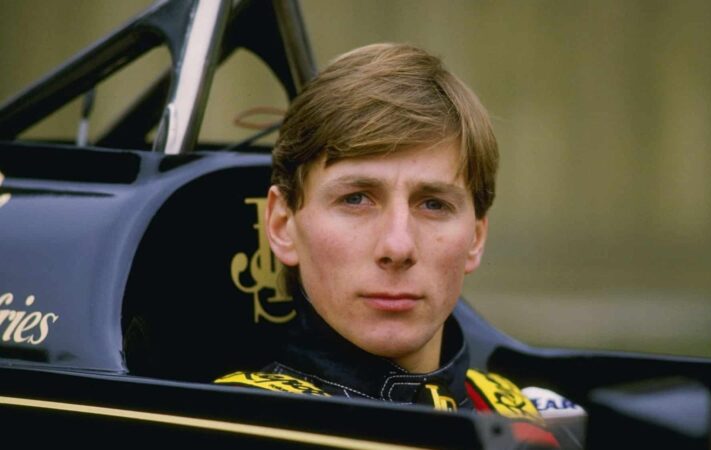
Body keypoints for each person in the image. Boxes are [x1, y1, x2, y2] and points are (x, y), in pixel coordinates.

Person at [215, 42, 562, 447]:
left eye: (433, 204)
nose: (398, 246)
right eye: (356, 199)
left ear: (476, 238)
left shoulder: (521, 416)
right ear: (281, 225)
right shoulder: (229, 425)